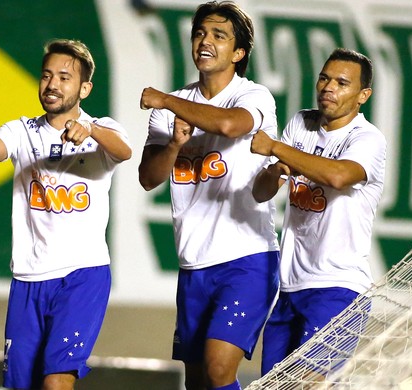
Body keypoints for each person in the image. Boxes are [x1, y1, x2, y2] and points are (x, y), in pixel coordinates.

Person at [0, 39, 131, 390]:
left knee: (56, 380)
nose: (52, 84)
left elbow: (124, 151)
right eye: (46, 75)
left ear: (85, 88)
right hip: (29, 278)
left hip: (83, 275)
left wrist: (92, 130)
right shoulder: (21, 131)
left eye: (64, 77)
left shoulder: (102, 129)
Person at [138, 2, 280, 389]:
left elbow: (231, 126)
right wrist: (172, 147)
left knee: (219, 368)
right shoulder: (169, 111)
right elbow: (148, 178)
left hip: (246, 258)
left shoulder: (253, 96)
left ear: (239, 53)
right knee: (199, 379)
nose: (205, 41)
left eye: (219, 36)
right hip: (193, 262)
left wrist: (166, 99)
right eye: (200, 33)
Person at [250, 48, 386, 376]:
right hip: (290, 286)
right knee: (274, 385)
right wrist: (275, 169)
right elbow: (261, 192)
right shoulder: (302, 122)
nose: (328, 87)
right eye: (325, 78)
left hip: (338, 287)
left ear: (362, 95)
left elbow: (338, 175)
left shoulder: (367, 139)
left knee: (308, 384)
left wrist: (276, 148)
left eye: (341, 83)